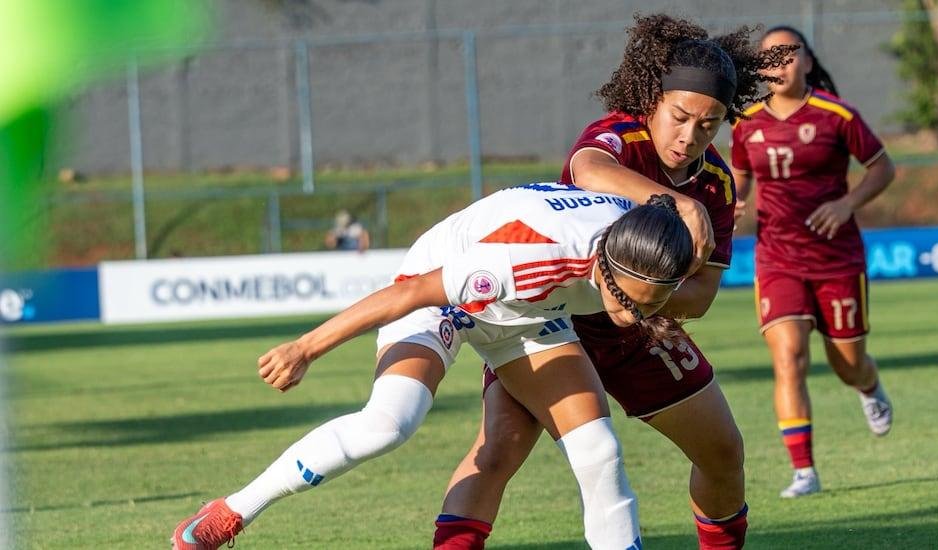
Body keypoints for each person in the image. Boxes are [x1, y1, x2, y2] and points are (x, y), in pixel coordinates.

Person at [432, 15, 796, 550]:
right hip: (552, 323)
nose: (689, 136)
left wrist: (650, 298)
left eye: (709, 123)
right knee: (498, 450)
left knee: (723, 453)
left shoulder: (716, 184)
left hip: (638, 331)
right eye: (679, 116)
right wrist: (675, 204)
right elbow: (586, 168)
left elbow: (701, 297)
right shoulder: (621, 137)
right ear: (653, 97)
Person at [170, 183, 695, 550]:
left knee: (599, 451)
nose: (633, 315)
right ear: (602, 264)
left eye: (650, 304)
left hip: (531, 314)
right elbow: (411, 293)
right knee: (389, 423)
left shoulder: (653, 242)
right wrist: (306, 347)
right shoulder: (526, 259)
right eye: (625, 299)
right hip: (441, 289)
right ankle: (229, 511)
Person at [729, 25, 897, 498]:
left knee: (849, 364)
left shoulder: (836, 115)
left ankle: (869, 387)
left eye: (788, 54)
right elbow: (739, 177)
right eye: (769, 57)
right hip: (778, 258)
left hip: (837, 259)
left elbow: (883, 167)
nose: (778, 63)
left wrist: (847, 204)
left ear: (806, 61)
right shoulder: (746, 123)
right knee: (789, 358)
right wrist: (735, 201)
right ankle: (804, 471)